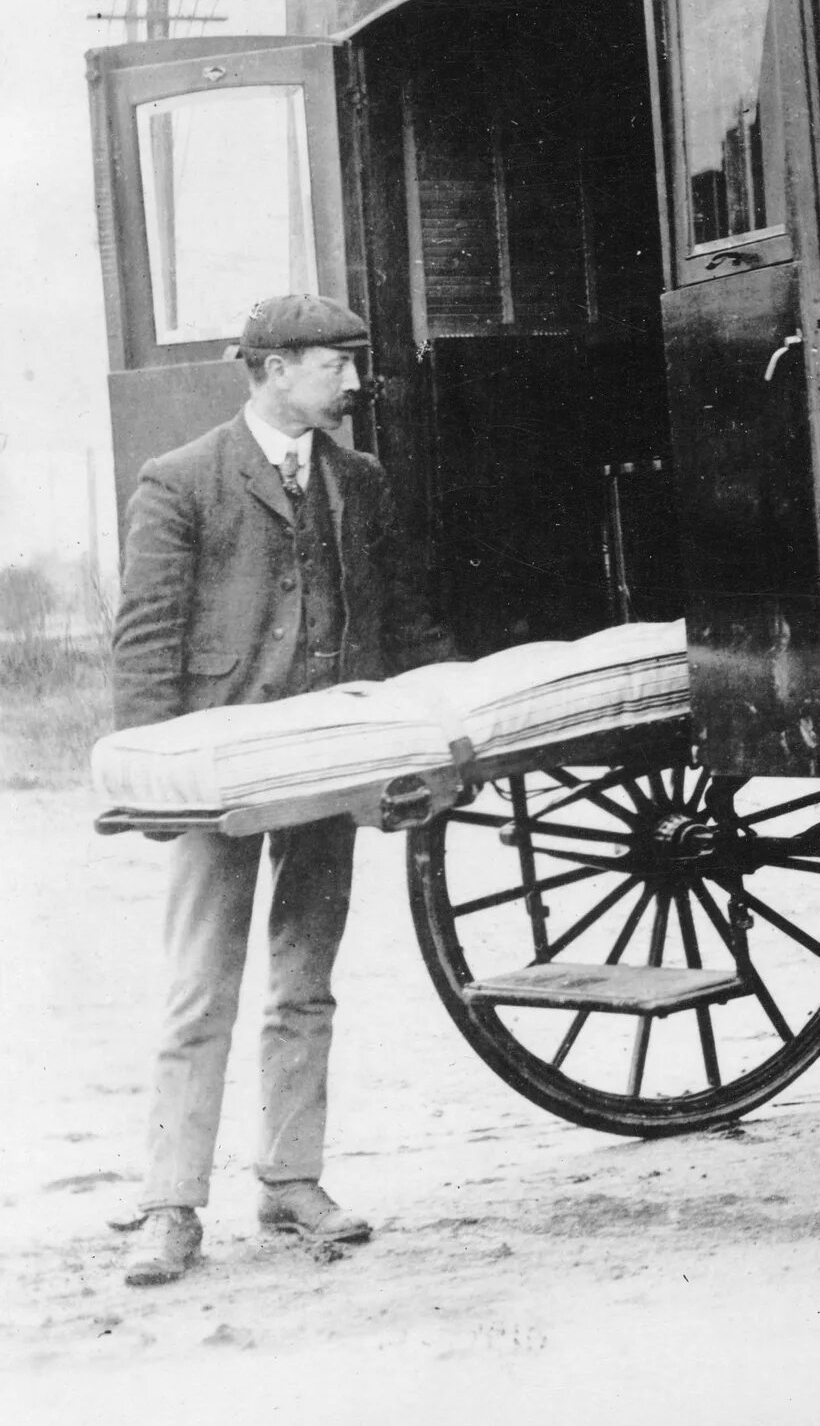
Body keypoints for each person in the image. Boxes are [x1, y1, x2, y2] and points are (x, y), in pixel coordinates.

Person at [109, 295, 446, 1287]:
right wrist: (154, 775)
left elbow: (406, 619)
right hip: (218, 778)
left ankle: (291, 1182)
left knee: (305, 980)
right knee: (198, 990)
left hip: (327, 768)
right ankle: (170, 1206)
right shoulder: (179, 482)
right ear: (271, 370)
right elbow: (145, 645)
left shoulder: (360, 481)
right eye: (334, 364)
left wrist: (438, 726)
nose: (352, 380)